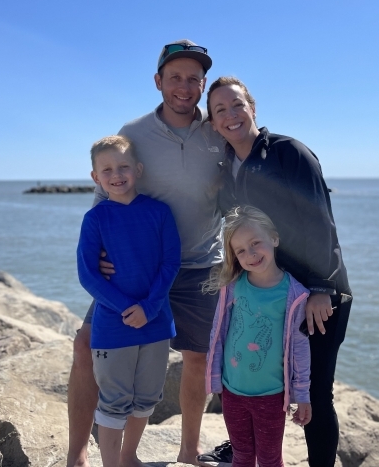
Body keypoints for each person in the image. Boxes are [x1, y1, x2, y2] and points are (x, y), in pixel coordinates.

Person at [67, 40, 227, 467]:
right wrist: (99, 251)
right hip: (132, 268)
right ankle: (77, 454)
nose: (184, 86)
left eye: (194, 78)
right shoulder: (131, 133)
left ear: (203, 84)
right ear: (158, 81)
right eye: (174, 77)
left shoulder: (219, 132)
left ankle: (189, 452)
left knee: (198, 357)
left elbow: (245, 188)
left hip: (199, 263)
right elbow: (106, 191)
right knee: (85, 345)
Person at [206, 76, 352, 467]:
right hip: (264, 291)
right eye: (220, 110)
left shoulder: (289, 153)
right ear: (213, 123)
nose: (230, 115)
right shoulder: (226, 169)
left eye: (237, 105)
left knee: (315, 392)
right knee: (255, 377)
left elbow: (320, 220)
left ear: (252, 107)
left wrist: (322, 287)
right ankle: (242, 447)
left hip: (313, 294)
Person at [77, 136, 181, 467]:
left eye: (123, 166)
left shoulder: (159, 212)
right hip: (113, 326)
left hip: (156, 322)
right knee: (114, 400)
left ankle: (129, 456)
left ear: (137, 169)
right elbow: (88, 275)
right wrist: (126, 308)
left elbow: (170, 263)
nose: (116, 174)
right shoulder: (95, 219)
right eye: (107, 169)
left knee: (148, 396)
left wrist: (149, 307)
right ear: (95, 177)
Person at [205, 206, 311, 467]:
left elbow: (299, 347)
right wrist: (214, 379)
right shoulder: (232, 286)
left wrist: (303, 395)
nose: (250, 254)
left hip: (272, 395)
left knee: (269, 459)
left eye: (255, 243)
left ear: (273, 238)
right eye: (240, 250)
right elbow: (218, 333)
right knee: (241, 456)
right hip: (232, 392)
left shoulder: (294, 294)